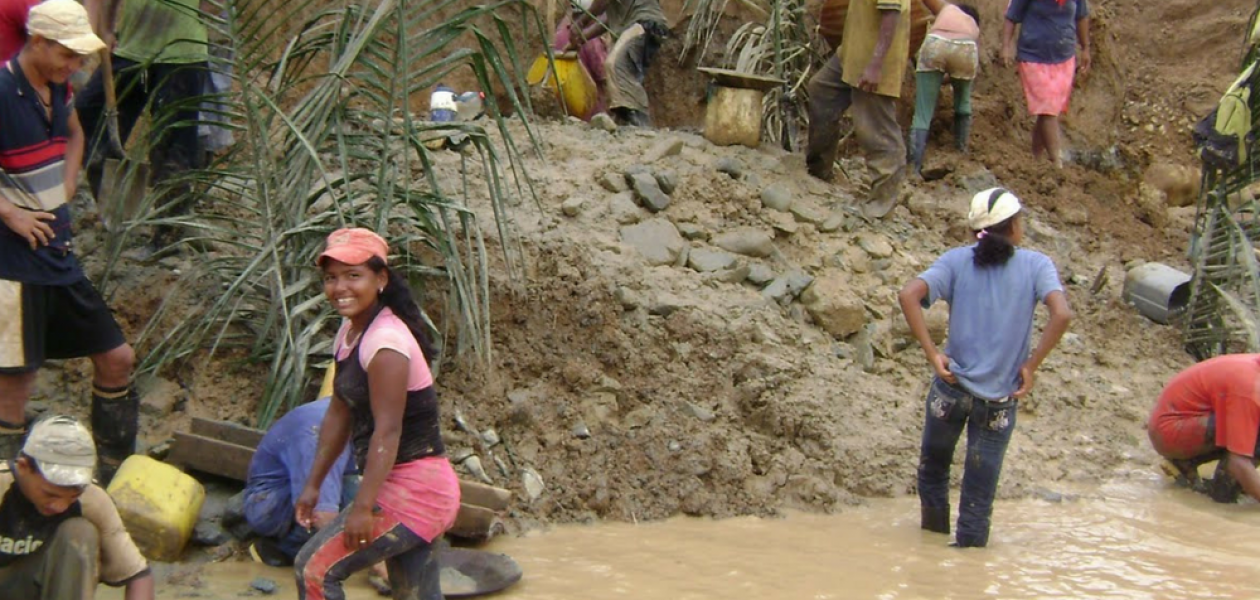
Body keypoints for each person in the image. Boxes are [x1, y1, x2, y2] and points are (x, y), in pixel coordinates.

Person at [0, 0, 137, 485]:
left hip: (57, 253)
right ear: (36, 42)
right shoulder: (0, 88)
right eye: (68, 56)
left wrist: (69, 182)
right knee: (15, 384)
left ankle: (116, 476)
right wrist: (10, 211)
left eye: (80, 58)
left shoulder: (57, 90)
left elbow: (76, 133)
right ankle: (9, 496)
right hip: (11, 264)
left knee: (117, 358)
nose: (75, 68)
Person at [899, 187, 1072, 547]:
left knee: (934, 470)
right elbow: (1062, 314)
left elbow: (908, 295)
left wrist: (933, 353)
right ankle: (967, 562)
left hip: (950, 389)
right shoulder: (1036, 265)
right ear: (1015, 229)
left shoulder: (956, 261)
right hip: (999, 400)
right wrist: (1031, 365)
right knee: (979, 492)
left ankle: (931, 549)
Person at [295, 228, 460, 600]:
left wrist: (362, 508)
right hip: (404, 484)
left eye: (354, 275)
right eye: (331, 278)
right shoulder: (350, 332)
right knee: (414, 595)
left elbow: (387, 432)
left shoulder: (386, 342)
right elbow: (339, 412)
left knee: (314, 571)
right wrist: (313, 484)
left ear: (380, 279)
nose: (340, 288)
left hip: (417, 490)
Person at [79, 0, 208, 254]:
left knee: (171, 148)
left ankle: (168, 236)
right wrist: (105, 29)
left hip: (182, 52)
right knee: (89, 113)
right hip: (130, 47)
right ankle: (112, 207)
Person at [0, 415, 154, 599]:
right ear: (24, 467)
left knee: (80, 534)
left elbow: (137, 574)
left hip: (32, 587)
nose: (60, 506)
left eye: (73, 497)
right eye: (50, 494)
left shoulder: (93, 499)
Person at [806, 0, 911, 220]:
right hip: (851, 55)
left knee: (877, 130)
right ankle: (818, 170)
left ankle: (881, 205)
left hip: (874, 63)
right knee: (821, 91)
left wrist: (875, 65)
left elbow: (891, 14)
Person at [243, 397, 354, 567]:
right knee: (347, 507)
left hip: (318, 487)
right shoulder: (319, 431)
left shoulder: (366, 415)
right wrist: (375, 561)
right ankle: (281, 548)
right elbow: (323, 514)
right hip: (272, 504)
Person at [1147, 354, 1260, 505]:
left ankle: (1185, 464)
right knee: (1253, 436)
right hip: (1171, 431)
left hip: (1182, 425)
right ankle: (1222, 493)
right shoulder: (1249, 388)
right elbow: (1238, 462)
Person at [1001, 0, 1091, 168]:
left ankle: (1036, 159)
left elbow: (1081, 17)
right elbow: (1011, 17)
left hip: (1064, 58)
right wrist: (1006, 46)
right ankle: (1057, 163)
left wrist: (1086, 48)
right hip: (1033, 56)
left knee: (1048, 111)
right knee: (1047, 109)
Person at [907, 0, 980, 176]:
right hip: (965, 47)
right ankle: (961, 153)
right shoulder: (973, 27)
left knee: (922, 113)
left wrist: (931, 81)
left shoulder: (947, 9)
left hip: (935, 43)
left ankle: (913, 168)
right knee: (962, 102)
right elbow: (964, 71)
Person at [566, 0, 667, 127]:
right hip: (641, 24)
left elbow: (603, 2)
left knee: (615, 64)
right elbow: (610, 18)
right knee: (621, 70)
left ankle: (638, 118)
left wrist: (580, 23)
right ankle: (627, 118)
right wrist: (583, 36)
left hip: (645, 23)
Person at [555, 0, 609, 118]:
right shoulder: (592, 41)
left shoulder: (558, 36)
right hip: (592, 113)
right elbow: (605, 76)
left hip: (569, 110)